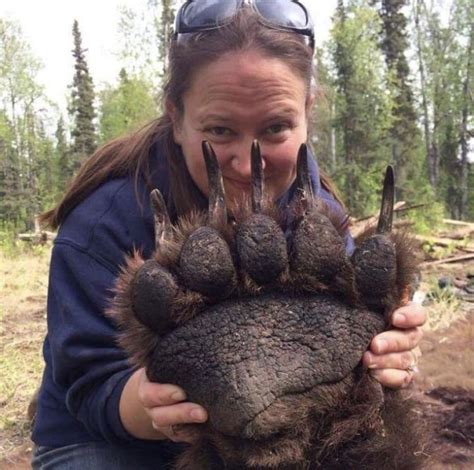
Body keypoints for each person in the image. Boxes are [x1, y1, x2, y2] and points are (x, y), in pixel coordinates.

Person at [32, 1, 426, 468]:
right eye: (219, 130)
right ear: (176, 118)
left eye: (276, 127)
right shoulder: (104, 223)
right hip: (110, 439)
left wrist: (384, 353)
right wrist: (158, 400)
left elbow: (351, 353)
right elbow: (90, 386)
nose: (247, 162)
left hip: (258, 428)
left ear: (307, 112)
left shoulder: (316, 215)